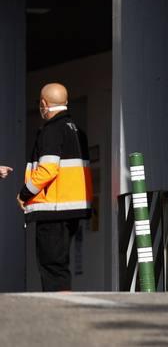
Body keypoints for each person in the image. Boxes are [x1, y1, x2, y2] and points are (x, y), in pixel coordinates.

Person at [17, 83, 94, 292]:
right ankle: (63, 305)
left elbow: (48, 170)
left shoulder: (51, 131)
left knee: (51, 267)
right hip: (72, 210)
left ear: (44, 104)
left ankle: (60, 312)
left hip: (53, 210)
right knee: (60, 265)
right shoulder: (78, 131)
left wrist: (25, 194)